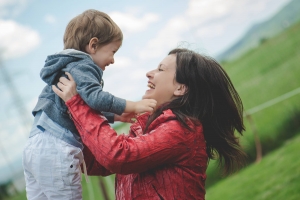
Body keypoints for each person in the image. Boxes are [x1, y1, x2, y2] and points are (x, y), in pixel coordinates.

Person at [53, 48, 246, 199]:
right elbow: (98, 163)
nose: (149, 73)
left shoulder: (180, 129)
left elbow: (119, 157)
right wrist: (65, 124)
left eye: (161, 69)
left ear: (181, 88)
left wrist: (78, 105)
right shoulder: (148, 127)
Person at [22, 9, 156, 200]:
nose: (113, 60)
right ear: (93, 45)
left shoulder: (66, 67)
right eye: (112, 51)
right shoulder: (83, 65)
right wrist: (132, 106)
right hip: (57, 150)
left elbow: (82, 107)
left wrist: (115, 116)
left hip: (34, 147)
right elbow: (95, 98)